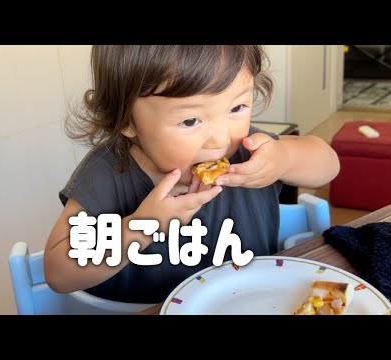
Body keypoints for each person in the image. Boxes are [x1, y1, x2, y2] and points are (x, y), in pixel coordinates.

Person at [44, 45, 340, 304]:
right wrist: (142, 226)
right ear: (126, 120)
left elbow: (328, 165)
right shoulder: (108, 172)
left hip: (253, 301)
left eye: (237, 107)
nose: (220, 139)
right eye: (190, 121)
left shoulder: (249, 149)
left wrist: (284, 159)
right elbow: (58, 272)